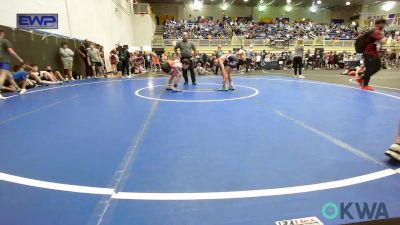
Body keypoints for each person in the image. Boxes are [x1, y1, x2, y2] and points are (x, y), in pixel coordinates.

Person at [358, 19, 387, 91]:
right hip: (369, 53)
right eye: (383, 24)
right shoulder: (376, 31)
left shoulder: (377, 31)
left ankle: (362, 78)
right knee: (369, 69)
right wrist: (386, 37)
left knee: (378, 67)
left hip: (374, 53)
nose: (384, 25)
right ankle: (365, 85)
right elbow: (383, 41)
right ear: (379, 24)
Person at [0, 29, 24, 99]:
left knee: (9, 77)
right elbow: (11, 52)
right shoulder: (4, 41)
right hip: (4, 61)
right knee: (2, 77)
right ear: (2, 33)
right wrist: (19, 59)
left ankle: (18, 89)